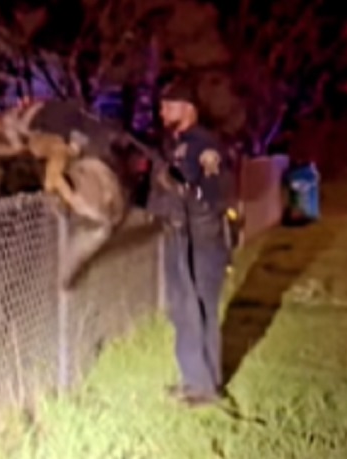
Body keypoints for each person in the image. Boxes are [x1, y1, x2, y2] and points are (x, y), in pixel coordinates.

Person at [146, 78, 234, 407]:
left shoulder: (203, 145)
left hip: (198, 237)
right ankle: (203, 382)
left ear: (188, 108)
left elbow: (208, 191)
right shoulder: (176, 144)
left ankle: (200, 386)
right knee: (192, 307)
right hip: (186, 233)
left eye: (169, 104)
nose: (162, 110)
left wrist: (178, 183)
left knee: (191, 306)